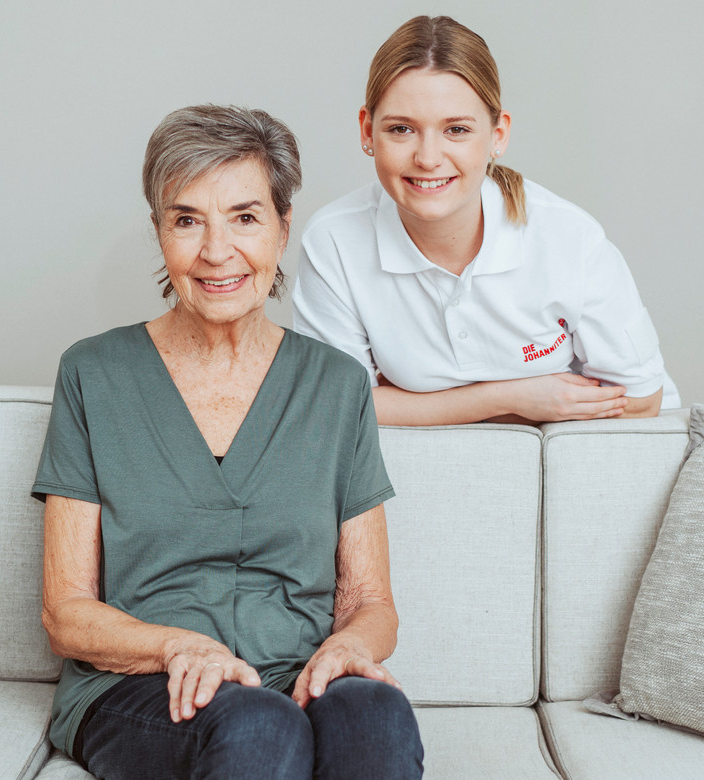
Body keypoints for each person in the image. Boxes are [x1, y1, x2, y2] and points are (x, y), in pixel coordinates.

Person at [33, 105, 423, 780]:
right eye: (188, 220)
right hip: (143, 686)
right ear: (160, 233)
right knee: (257, 721)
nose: (217, 252)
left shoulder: (335, 386)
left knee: (377, 714)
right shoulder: (92, 374)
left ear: (282, 226)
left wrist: (347, 648)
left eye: (244, 217)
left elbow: (370, 603)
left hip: (299, 675)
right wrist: (179, 648)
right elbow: (66, 613)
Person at [294, 15, 680, 426]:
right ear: (368, 131)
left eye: (456, 129)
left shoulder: (569, 238)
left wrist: (398, 401)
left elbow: (640, 401)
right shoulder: (332, 241)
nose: (428, 158)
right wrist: (513, 398)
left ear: (498, 135)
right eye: (402, 129)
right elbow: (334, 408)